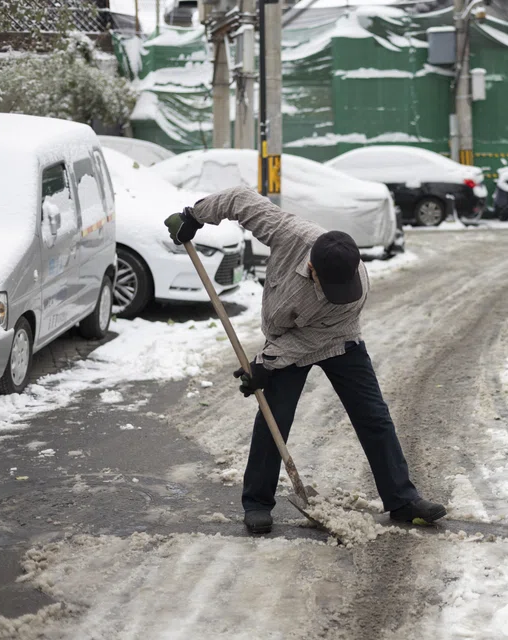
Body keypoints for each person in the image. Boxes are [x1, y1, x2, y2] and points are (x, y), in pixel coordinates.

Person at [164, 187, 447, 534]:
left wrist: (266, 363)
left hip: (336, 340)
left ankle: (403, 501)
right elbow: (239, 200)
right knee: (274, 418)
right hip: (284, 335)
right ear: (313, 266)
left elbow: (315, 337)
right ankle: (257, 503)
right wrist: (195, 216)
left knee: (373, 416)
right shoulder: (288, 232)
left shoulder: (353, 290)